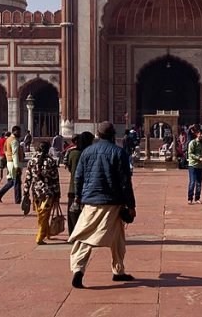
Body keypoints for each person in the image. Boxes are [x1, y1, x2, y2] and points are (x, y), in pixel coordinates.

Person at [69, 121, 136, 289]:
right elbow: (125, 182)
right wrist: (131, 205)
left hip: (91, 200)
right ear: (114, 135)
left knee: (87, 235)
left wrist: (78, 196)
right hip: (112, 201)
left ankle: (80, 268)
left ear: (97, 135)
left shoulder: (87, 152)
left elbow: (78, 177)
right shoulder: (118, 152)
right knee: (113, 238)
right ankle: (116, 270)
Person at [24, 141, 62, 245]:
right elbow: (55, 179)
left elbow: (28, 179)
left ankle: (47, 232)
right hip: (48, 192)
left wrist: (25, 193)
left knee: (42, 214)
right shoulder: (51, 161)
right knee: (43, 215)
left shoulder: (32, 161)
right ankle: (40, 237)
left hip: (36, 192)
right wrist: (58, 194)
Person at [65, 131, 94, 233]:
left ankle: (72, 234)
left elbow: (69, 167)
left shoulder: (72, 153)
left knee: (72, 212)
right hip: (86, 188)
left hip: (72, 187)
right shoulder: (87, 154)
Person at [0, 126, 25, 203]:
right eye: (18, 132)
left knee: (12, 181)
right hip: (14, 163)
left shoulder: (8, 139)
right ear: (14, 131)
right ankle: (18, 200)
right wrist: (17, 166)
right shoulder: (14, 141)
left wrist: (8, 159)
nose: (19, 134)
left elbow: (5, 150)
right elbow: (15, 154)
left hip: (10, 162)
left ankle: (0, 193)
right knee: (17, 182)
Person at [186, 126, 202, 203]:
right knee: (192, 182)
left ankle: (197, 198)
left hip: (201, 166)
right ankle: (190, 198)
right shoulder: (192, 143)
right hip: (193, 165)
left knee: (199, 183)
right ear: (197, 134)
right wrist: (198, 158)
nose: (201, 135)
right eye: (200, 134)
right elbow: (190, 154)